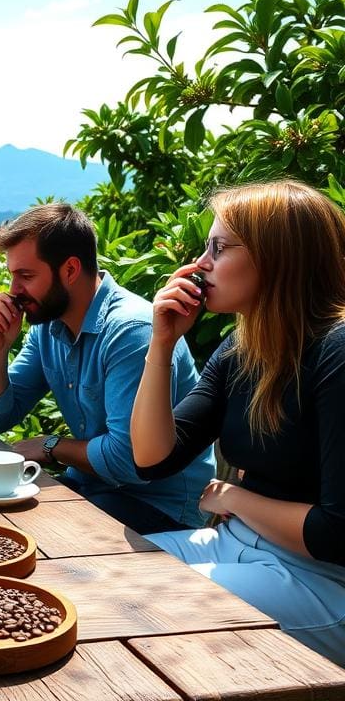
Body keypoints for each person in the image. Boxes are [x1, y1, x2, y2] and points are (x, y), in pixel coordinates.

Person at [131, 181, 345, 665]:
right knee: (110, 575)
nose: (200, 263)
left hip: (321, 580)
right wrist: (162, 344)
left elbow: (335, 533)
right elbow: (152, 459)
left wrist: (235, 497)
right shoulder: (240, 349)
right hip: (237, 544)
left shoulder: (337, 352)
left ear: (277, 256)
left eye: (219, 247)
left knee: (152, 607)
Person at [0, 203, 214, 534]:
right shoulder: (48, 326)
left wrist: (49, 446)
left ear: (70, 270)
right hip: (93, 489)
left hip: (158, 505)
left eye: (26, 276)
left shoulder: (130, 331)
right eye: (12, 276)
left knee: (36, 536)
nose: (14, 291)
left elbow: (128, 462)